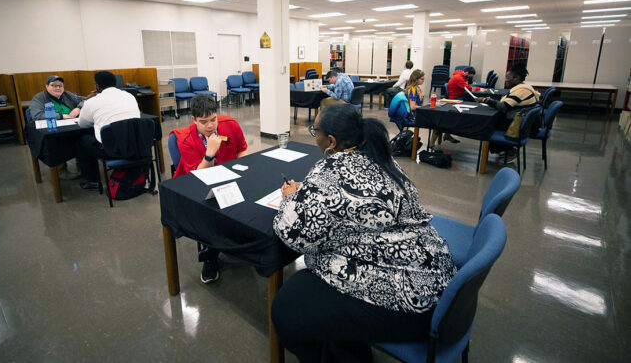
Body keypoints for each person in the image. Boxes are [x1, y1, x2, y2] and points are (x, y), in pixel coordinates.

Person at [272, 104, 456, 362]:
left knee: (286, 308)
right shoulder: (381, 156)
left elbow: (293, 233)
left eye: (316, 132)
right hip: (439, 282)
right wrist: (313, 193)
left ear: (331, 141)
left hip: (411, 303)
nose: (316, 138)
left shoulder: (330, 170)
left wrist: (290, 199)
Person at [169, 94, 248, 283]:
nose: (210, 126)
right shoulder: (186, 139)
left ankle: (239, 242)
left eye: (213, 119)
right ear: (194, 120)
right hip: (199, 184)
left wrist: (243, 169)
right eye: (204, 122)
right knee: (209, 212)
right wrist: (210, 153)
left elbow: (242, 149)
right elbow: (197, 176)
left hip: (229, 179)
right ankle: (210, 255)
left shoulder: (230, 124)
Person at [76, 71, 140, 191]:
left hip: (111, 151)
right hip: (135, 145)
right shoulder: (129, 96)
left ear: (97, 86)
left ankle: (93, 180)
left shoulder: (91, 102)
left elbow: (82, 124)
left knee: (83, 141)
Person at [29, 75, 85, 179]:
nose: (58, 88)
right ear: (46, 86)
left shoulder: (67, 94)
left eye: (60, 85)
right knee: (56, 143)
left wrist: (78, 108)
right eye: (54, 85)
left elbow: (85, 100)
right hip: (54, 130)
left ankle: (83, 168)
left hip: (71, 127)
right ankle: (61, 170)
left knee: (84, 139)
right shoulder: (39, 98)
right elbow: (36, 115)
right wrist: (61, 116)